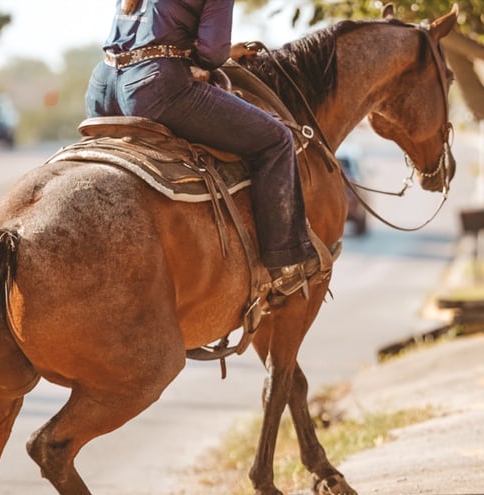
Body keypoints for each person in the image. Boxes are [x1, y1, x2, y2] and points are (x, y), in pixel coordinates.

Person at [85, 0, 319, 297]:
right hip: (153, 88)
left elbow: (153, 32)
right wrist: (213, 55)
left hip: (103, 87)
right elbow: (211, 54)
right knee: (276, 139)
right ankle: (285, 264)